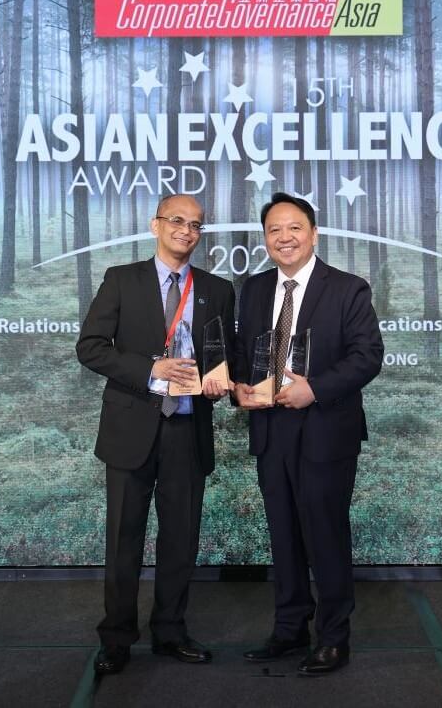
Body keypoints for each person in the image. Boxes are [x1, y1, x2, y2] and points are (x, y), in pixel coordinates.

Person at [76, 194, 235, 675]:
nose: (186, 230)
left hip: (188, 429)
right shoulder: (122, 280)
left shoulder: (217, 289)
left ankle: (170, 630)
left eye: (196, 225)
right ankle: (117, 637)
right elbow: (90, 348)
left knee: (180, 539)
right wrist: (150, 369)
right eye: (177, 221)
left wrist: (221, 378)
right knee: (124, 538)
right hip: (132, 427)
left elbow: (222, 354)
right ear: (156, 225)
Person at [233, 192, 383, 675]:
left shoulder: (348, 288)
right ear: (265, 239)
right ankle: (290, 629)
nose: (284, 237)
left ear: (313, 233)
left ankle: (334, 637)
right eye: (275, 230)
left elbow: (367, 357)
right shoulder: (253, 289)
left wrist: (313, 390)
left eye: (294, 227)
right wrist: (237, 384)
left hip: (324, 432)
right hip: (271, 431)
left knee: (325, 534)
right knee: (283, 535)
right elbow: (243, 353)